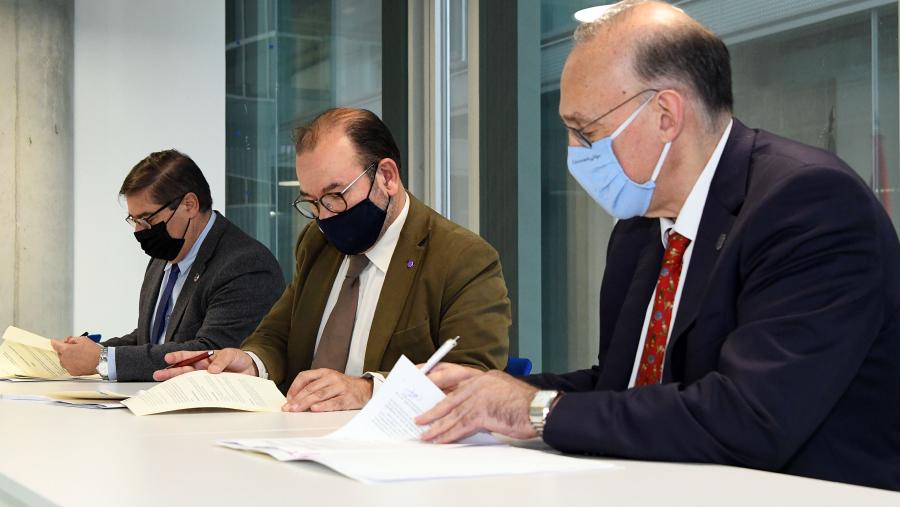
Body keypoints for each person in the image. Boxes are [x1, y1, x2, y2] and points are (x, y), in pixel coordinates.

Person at [416, 0, 900, 491]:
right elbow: (624, 388)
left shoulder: (808, 205)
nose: (574, 154)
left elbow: (750, 417)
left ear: (666, 115)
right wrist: (495, 393)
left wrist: (536, 411)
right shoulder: (642, 225)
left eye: (586, 132)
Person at [156, 108, 511, 413]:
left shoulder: (461, 258)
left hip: (390, 460)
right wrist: (251, 362)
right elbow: (279, 333)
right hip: (296, 437)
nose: (324, 216)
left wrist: (369, 389)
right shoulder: (317, 243)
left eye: (335, 195)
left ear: (386, 176)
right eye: (311, 200)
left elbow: (472, 374)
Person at [52, 150, 285, 381]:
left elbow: (210, 352)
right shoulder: (166, 255)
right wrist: (90, 351)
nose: (139, 231)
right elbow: (151, 340)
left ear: (189, 205)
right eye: (134, 220)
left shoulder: (245, 264)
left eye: (148, 219)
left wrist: (103, 360)